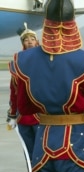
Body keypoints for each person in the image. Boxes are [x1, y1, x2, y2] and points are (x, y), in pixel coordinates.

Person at [13, 0, 84, 172]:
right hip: (77, 140)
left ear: (46, 20)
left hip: (43, 140)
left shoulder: (24, 60)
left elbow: (24, 106)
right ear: (73, 22)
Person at [7, 22, 40, 161]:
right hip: (23, 117)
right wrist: (12, 114)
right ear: (23, 43)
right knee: (29, 153)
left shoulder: (45, 60)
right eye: (26, 40)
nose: (30, 42)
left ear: (36, 41)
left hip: (42, 116)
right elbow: (14, 92)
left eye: (32, 39)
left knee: (42, 153)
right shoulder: (16, 64)